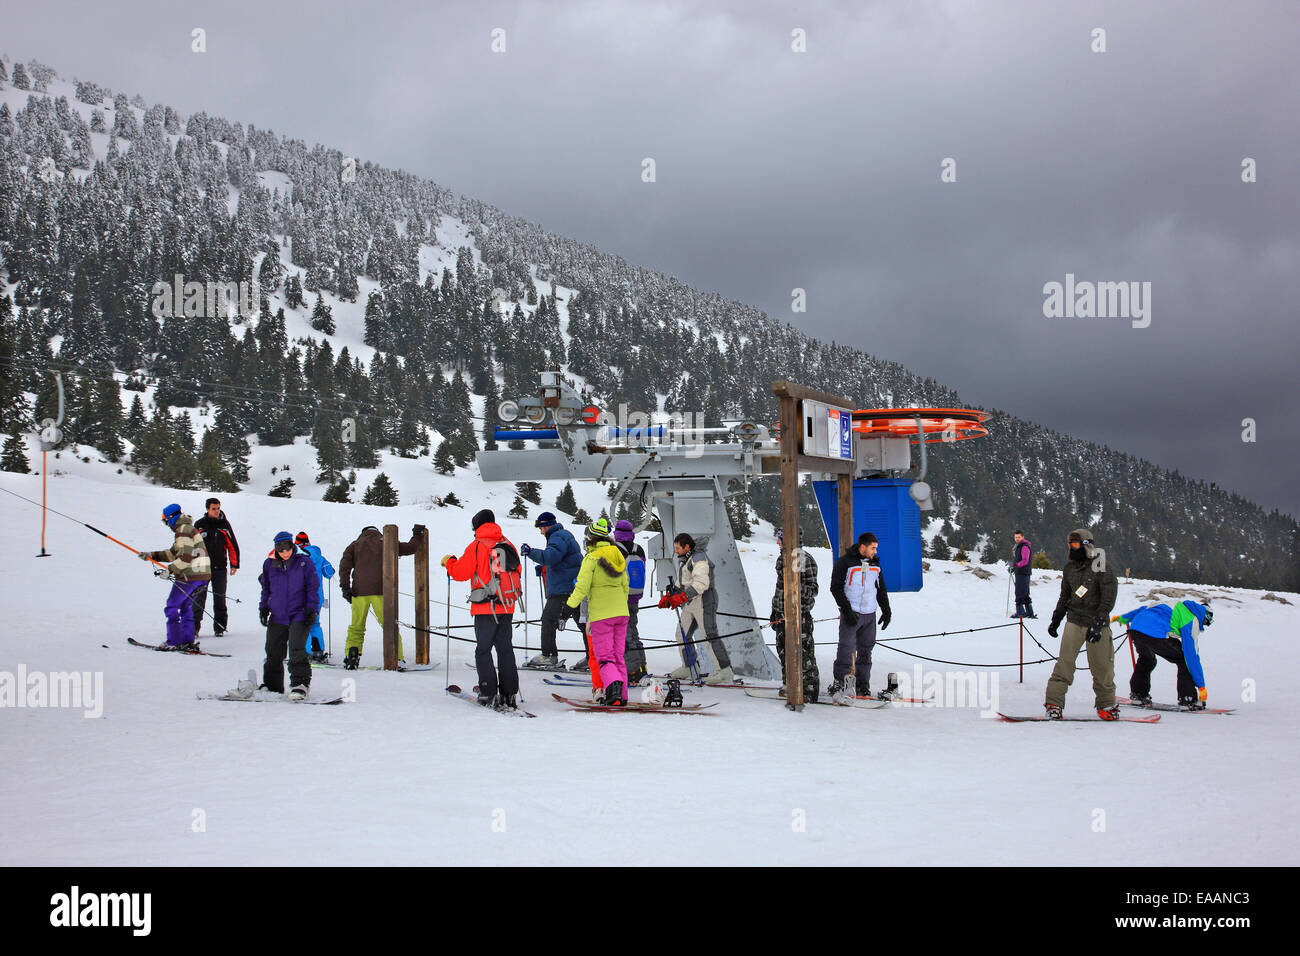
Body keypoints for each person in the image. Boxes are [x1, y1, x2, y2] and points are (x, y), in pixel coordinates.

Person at [444, 509, 522, 708]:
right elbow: (517, 570)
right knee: (505, 649)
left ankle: (488, 692)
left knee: (483, 650)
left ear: (477, 526)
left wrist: (449, 563)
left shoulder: (478, 545)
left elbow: (462, 572)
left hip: (486, 607)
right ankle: (509, 693)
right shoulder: (506, 543)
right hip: (506, 605)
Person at [1044, 529, 1120, 719]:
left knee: (1102, 668)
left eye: (1076, 544)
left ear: (1087, 545)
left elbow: (1108, 597)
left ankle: (1107, 705)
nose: (1072, 548)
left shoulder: (1102, 566)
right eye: (1070, 544)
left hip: (1097, 624)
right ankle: (1054, 704)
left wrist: (1100, 621)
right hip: (1074, 621)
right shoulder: (1069, 568)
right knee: (1064, 665)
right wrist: (1056, 619)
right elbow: (1065, 596)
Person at [337, 524, 423, 670]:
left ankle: (352, 656)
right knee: (389, 626)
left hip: (359, 592)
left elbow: (344, 567)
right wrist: (418, 534)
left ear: (363, 533)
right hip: (382, 592)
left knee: (356, 627)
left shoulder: (354, 545)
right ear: (377, 532)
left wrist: (345, 588)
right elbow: (410, 548)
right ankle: (397, 658)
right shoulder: (385, 542)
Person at [567, 517, 630, 705]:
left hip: (601, 615)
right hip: (622, 613)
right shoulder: (618, 555)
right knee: (618, 656)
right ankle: (622, 696)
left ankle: (613, 687)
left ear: (591, 539)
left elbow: (582, 588)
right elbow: (625, 586)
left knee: (604, 657)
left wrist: (568, 607)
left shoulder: (591, 558)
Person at [661, 532, 734, 686]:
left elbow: (701, 583)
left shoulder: (699, 558)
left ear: (687, 547)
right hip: (690, 601)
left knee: (709, 634)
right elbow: (683, 582)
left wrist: (681, 597)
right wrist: (670, 596)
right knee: (681, 635)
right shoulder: (685, 559)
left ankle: (724, 671)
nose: (675, 551)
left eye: (677, 547)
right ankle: (690, 667)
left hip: (704, 599)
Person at [1113, 600, 1213, 710]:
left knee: (1147, 659)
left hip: (1136, 629)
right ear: (1205, 616)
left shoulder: (1173, 603)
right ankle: (1187, 698)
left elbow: (1144, 609)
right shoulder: (1192, 619)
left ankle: (1138, 694)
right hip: (1156, 633)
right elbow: (1191, 656)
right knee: (1184, 660)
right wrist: (1201, 686)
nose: (1203, 626)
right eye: (1206, 623)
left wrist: (1124, 618)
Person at [138, 503, 211, 651]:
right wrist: (151, 556)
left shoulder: (183, 531)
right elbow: (173, 553)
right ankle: (187, 641)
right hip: (202, 575)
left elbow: (185, 557)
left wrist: (170, 570)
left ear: (171, 518)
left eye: (165, 521)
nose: (166, 524)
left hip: (189, 576)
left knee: (172, 606)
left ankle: (174, 641)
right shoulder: (188, 529)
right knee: (186, 606)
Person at [256, 531, 319, 700]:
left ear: (293, 546)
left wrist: (312, 609)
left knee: (297, 649)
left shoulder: (304, 563)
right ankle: (272, 685)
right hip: (277, 615)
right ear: (276, 549)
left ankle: (300, 684)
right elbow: (266, 589)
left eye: (287, 548)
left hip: (299, 614)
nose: (285, 552)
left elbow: (313, 587)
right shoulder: (269, 564)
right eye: (281, 549)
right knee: (273, 651)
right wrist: (263, 608)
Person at [828, 532, 891, 698]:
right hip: (852, 612)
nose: (875, 551)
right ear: (863, 547)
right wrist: (847, 610)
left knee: (866, 650)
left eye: (876, 548)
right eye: (873, 548)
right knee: (846, 649)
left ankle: (863, 684)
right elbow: (835, 587)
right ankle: (840, 682)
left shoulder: (875, 564)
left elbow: (881, 589)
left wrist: (886, 610)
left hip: (869, 614)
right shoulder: (845, 562)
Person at [520, 511, 585, 669]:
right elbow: (561, 560)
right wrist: (544, 567)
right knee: (583, 623)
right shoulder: (563, 535)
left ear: (546, 526)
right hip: (574, 587)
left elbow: (551, 557)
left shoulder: (557, 536)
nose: (541, 532)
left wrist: (531, 552)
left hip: (563, 589)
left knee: (548, 619)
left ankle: (548, 656)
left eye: (541, 528)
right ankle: (594, 657)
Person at [772, 528, 821, 702]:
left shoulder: (803, 559)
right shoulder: (782, 558)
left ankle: (809, 688)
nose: (777, 542)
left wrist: (795, 586)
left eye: (780, 539)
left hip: (800, 614)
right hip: (782, 613)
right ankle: (789, 684)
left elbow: (813, 589)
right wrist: (775, 609)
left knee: (804, 653)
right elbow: (779, 588)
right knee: (783, 650)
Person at [192, 497, 240, 636]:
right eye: (214, 509)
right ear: (208, 509)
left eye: (218, 508)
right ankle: (194, 628)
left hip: (219, 568)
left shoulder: (224, 524)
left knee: (220, 598)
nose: (216, 511)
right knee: (199, 598)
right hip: (202, 568)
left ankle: (219, 627)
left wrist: (234, 564)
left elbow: (232, 545)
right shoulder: (200, 525)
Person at [614, 519, 649, 684]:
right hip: (636, 596)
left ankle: (632, 671)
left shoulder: (617, 549)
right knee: (634, 632)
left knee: (625, 635)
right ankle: (642, 667)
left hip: (622, 597)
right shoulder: (639, 549)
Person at [295, 531, 335, 661]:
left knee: (302, 624)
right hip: (317, 597)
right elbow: (330, 572)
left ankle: (304, 652)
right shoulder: (319, 556)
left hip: (300, 596)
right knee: (315, 623)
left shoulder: (297, 556)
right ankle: (318, 651)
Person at [1010, 530, 1035, 619]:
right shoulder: (1019, 547)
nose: (1017, 539)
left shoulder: (1024, 547)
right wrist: (1014, 567)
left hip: (1023, 572)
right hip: (1022, 572)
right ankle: (1029, 612)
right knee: (1025, 593)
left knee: (1019, 592)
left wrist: (1016, 565)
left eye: (1019, 537)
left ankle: (1020, 612)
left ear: (1023, 537)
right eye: (1016, 537)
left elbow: (1025, 560)